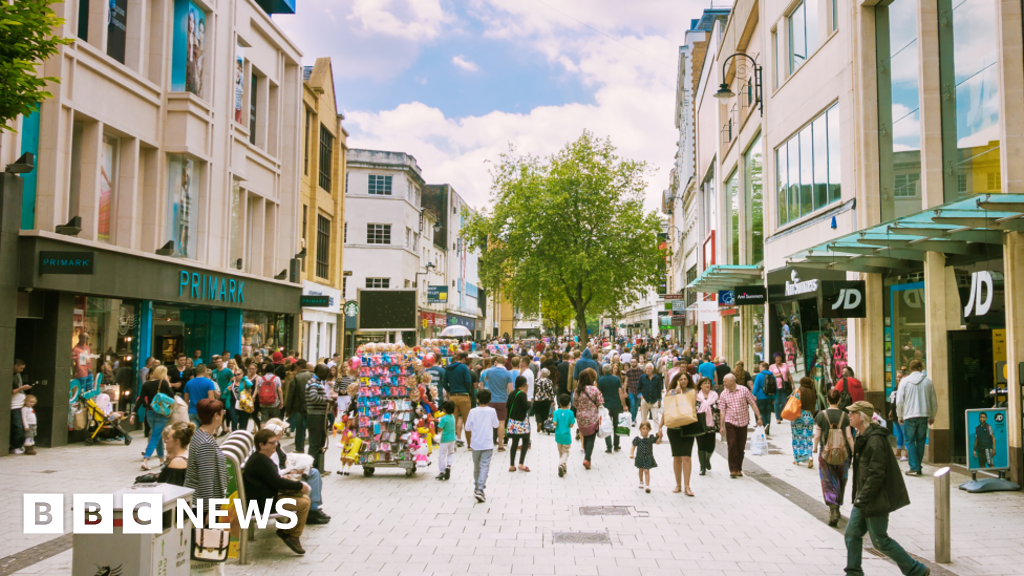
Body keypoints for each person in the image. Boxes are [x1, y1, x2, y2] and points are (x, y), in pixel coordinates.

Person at [844, 401, 928, 576]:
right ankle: (853, 572)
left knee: (880, 540)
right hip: (864, 497)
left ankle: (916, 569)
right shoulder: (863, 435)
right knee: (851, 534)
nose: (849, 416)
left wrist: (862, 498)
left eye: (852, 413)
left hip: (876, 498)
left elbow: (876, 474)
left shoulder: (875, 440)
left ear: (862, 416)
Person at [243, 429, 312, 555]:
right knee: (303, 503)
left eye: (276, 442)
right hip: (262, 504)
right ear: (261, 445)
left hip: (265, 497)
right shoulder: (261, 461)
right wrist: (299, 485)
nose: (275, 445)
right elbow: (277, 483)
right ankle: (290, 534)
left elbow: (273, 480)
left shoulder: (261, 458)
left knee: (305, 499)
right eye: (272, 443)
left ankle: (289, 532)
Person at [261, 419, 329, 524]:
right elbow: (275, 473)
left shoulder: (275, 445)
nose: (282, 433)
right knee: (309, 480)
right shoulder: (268, 450)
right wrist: (291, 473)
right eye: (280, 432)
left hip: (284, 472)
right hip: (281, 477)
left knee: (314, 472)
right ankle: (310, 511)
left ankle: (313, 508)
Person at [814, 388, 856, 526]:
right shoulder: (845, 415)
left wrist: (814, 448)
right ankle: (837, 505)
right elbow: (849, 436)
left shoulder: (820, 415)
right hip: (843, 453)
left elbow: (818, 435)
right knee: (841, 480)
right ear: (839, 400)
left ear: (827, 399)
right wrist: (855, 452)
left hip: (826, 453)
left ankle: (833, 509)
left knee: (828, 480)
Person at [184, 399, 228, 522]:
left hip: (198, 502)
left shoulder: (200, 435)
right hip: (202, 506)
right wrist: (210, 510)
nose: (223, 414)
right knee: (204, 539)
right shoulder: (205, 443)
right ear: (215, 416)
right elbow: (206, 478)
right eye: (222, 412)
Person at [661, 372, 704, 496]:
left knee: (686, 456)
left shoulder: (692, 392)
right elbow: (667, 409)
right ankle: (678, 484)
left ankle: (687, 486)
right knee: (677, 457)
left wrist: (680, 394)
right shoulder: (670, 393)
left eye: (685, 379)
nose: (683, 381)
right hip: (674, 428)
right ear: (677, 381)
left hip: (688, 427)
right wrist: (660, 426)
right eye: (681, 379)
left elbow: (690, 405)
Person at [895, 359, 937, 476]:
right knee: (920, 441)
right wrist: (932, 415)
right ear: (920, 368)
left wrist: (900, 415)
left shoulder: (904, 382)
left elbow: (899, 402)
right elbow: (933, 400)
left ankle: (914, 466)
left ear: (910, 369)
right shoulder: (928, 381)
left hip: (909, 415)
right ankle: (918, 466)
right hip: (923, 415)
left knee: (909, 441)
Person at [717, 374, 763, 478]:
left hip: (743, 421)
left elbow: (753, 404)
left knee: (741, 446)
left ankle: (739, 468)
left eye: (725, 381)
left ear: (731, 382)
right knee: (732, 444)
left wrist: (759, 417)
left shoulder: (744, 390)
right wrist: (721, 425)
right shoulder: (724, 394)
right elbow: (722, 410)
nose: (723, 383)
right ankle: (733, 469)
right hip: (730, 422)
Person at [131, 365, 173, 470]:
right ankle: (146, 461)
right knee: (155, 437)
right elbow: (172, 396)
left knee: (157, 435)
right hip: (161, 413)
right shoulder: (163, 383)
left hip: (149, 413)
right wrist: (169, 385)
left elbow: (140, 399)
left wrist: (133, 413)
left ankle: (162, 459)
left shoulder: (146, 384)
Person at [465, 389, 499, 503]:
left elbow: (467, 427)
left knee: (477, 466)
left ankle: (477, 486)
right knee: (484, 466)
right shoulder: (492, 411)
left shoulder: (473, 411)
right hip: (487, 443)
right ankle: (480, 489)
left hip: (475, 444)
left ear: (477, 399)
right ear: (490, 399)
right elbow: (496, 424)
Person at [573, 367, 604, 470]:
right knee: (591, 437)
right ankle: (587, 459)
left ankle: (587, 456)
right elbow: (600, 402)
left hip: (581, 416)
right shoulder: (594, 389)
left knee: (585, 435)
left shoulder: (577, 390)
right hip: (592, 416)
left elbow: (575, 404)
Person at [305, 364, 331, 474]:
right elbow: (313, 397)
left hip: (319, 416)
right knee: (315, 444)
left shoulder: (318, 382)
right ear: (319, 372)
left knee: (319, 442)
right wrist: (328, 400)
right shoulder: (313, 382)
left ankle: (318, 468)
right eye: (325, 373)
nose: (327, 375)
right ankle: (312, 469)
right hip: (315, 416)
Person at [444, 352, 474, 447]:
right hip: (464, 396)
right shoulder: (464, 367)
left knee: (452, 421)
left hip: (452, 397)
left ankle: (451, 444)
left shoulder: (448, 368)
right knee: (467, 421)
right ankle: (470, 444)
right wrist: (468, 391)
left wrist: (450, 390)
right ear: (464, 359)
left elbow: (444, 383)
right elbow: (468, 381)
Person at [484, 356, 512, 451]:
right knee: (501, 422)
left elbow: (486, 379)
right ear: (504, 363)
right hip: (502, 400)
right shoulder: (508, 373)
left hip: (491, 400)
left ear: (496, 362)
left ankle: (489, 443)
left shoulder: (489, 371)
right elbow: (510, 390)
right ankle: (500, 445)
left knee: (489, 422)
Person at [506, 376, 532, 472]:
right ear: (523, 384)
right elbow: (526, 407)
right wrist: (529, 402)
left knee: (514, 443)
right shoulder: (522, 394)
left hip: (513, 422)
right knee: (525, 442)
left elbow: (508, 405)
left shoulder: (512, 393)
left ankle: (512, 465)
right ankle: (521, 463)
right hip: (521, 423)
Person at [285, 360, 312, 453]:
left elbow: (290, 395)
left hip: (298, 407)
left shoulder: (295, 378)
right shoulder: (312, 376)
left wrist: (288, 409)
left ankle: (299, 448)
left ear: (298, 366)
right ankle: (312, 448)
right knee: (311, 428)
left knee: (299, 428)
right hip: (311, 406)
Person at [597, 364, 625, 453]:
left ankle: (609, 447)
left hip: (606, 407)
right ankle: (616, 445)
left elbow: (599, 394)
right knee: (617, 425)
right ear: (610, 370)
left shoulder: (601, 380)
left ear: (603, 371)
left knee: (606, 426)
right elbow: (620, 392)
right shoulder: (617, 379)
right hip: (616, 405)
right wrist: (624, 405)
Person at [792, 376, 818, 468]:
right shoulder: (812, 393)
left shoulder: (798, 391)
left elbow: (794, 403)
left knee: (797, 438)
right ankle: (809, 456)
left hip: (798, 416)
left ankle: (797, 458)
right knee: (807, 438)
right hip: (809, 416)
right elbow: (815, 406)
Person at [156, 422, 193, 486]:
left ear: (176, 441)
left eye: (168, 438)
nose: (165, 441)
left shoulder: (177, 462)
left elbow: (172, 490)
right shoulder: (185, 456)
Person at [695, 378, 718, 476]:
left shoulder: (715, 396)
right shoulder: (696, 396)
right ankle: (702, 467)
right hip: (699, 424)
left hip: (711, 425)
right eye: (705, 383)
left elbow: (719, 409)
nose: (707, 385)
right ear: (701, 385)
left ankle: (707, 459)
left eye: (709, 383)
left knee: (711, 446)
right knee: (701, 446)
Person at [631, 421, 661, 493]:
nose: (645, 430)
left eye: (646, 429)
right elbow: (633, 446)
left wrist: (660, 437)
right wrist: (631, 453)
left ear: (649, 429)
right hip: (640, 456)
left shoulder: (650, 437)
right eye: (643, 429)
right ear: (640, 429)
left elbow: (657, 442)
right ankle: (641, 481)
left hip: (648, 456)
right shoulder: (638, 438)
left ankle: (647, 485)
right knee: (641, 469)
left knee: (646, 470)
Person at [10, 359, 30, 454]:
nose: (21, 370)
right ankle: (15, 446)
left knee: (22, 426)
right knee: (18, 426)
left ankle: (18, 445)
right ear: (15, 366)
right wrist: (22, 388)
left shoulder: (18, 375)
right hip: (15, 405)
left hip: (20, 404)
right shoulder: (10, 376)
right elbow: (11, 391)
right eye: (20, 368)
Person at [553, 394, 575, 477]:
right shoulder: (570, 413)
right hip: (566, 436)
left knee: (560, 452)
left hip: (558, 436)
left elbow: (554, 423)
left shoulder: (556, 412)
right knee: (565, 452)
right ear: (569, 403)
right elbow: (571, 425)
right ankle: (561, 464)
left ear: (560, 403)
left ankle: (564, 467)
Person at [752, 362, 777, 436]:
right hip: (770, 397)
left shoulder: (759, 375)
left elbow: (756, 386)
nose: (759, 368)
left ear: (763, 368)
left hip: (761, 397)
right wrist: (774, 398)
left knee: (760, 412)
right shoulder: (773, 376)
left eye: (760, 367)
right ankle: (768, 428)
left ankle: (765, 424)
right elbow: (775, 388)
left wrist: (754, 395)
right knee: (768, 413)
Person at [435, 401, 456, 481]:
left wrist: (438, 427)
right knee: (451, 453)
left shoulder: (444, 418)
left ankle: (442, 472)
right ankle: (449, 466)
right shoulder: (452, 417)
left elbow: (440, 428)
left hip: (444, 440)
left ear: (444, 410)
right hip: (452, 439)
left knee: (442, 456)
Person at [769, 353, 792, 423]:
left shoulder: (785, 365)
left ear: (781, 358)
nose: (778, 359)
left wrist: (792, 384)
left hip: (784, 386)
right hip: (776, 386)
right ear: (774, 359)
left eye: (779, 358)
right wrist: (776, 375)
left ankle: (781, 414)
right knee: (777, 402)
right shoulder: (772, 366)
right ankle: (778, 418)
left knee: (784, 402)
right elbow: (769, 377)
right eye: (777, 358)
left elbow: (789, 375)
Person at [624, 358, 643, 424]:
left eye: (634, 362)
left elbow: (643, 381)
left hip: (639, 391)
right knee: (632, 404)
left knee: (637, 405)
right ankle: (633, 420)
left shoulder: (641, 370)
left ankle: (634, 418)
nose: (633, 363)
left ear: (637, 362)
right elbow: (626, 382)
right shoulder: (628, 371)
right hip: (631, 390)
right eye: (631, 362)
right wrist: (625, 391)